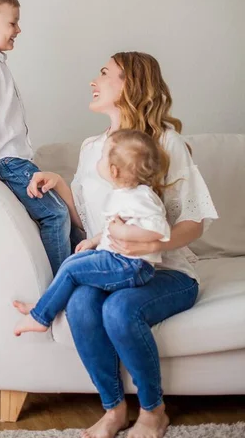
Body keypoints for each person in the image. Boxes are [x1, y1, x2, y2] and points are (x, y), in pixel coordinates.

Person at [26, 52, 218, 438]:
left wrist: (154, 240)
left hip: (168, 271)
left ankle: (153, 411)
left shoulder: (165, 141)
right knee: (80, 305)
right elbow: (90, 223)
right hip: (113, 263)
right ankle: (113, 409)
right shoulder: (91, 147)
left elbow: (194, 222)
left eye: (104, 74)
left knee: (119, 309)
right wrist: (60, 185)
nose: (93, 81)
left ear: (128, 85)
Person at [13, 128, 171, 337]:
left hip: (132, 265)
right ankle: (45, 306)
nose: (99, 159)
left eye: (104, 155)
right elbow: (113, 228)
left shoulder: (141, 197)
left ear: (113, 170)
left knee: (72, 269)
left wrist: (123, 231)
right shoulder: (123, 195)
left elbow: (159, 230)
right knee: (74, 262)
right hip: (119, 259)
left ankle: (40, 316)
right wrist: (96, 240)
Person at [0, 0, 71, 275]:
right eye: (12, 22)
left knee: (61, 213)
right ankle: (62, 288)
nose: (18, 29)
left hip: (14, 160)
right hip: (8, 161)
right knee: (56, 214)